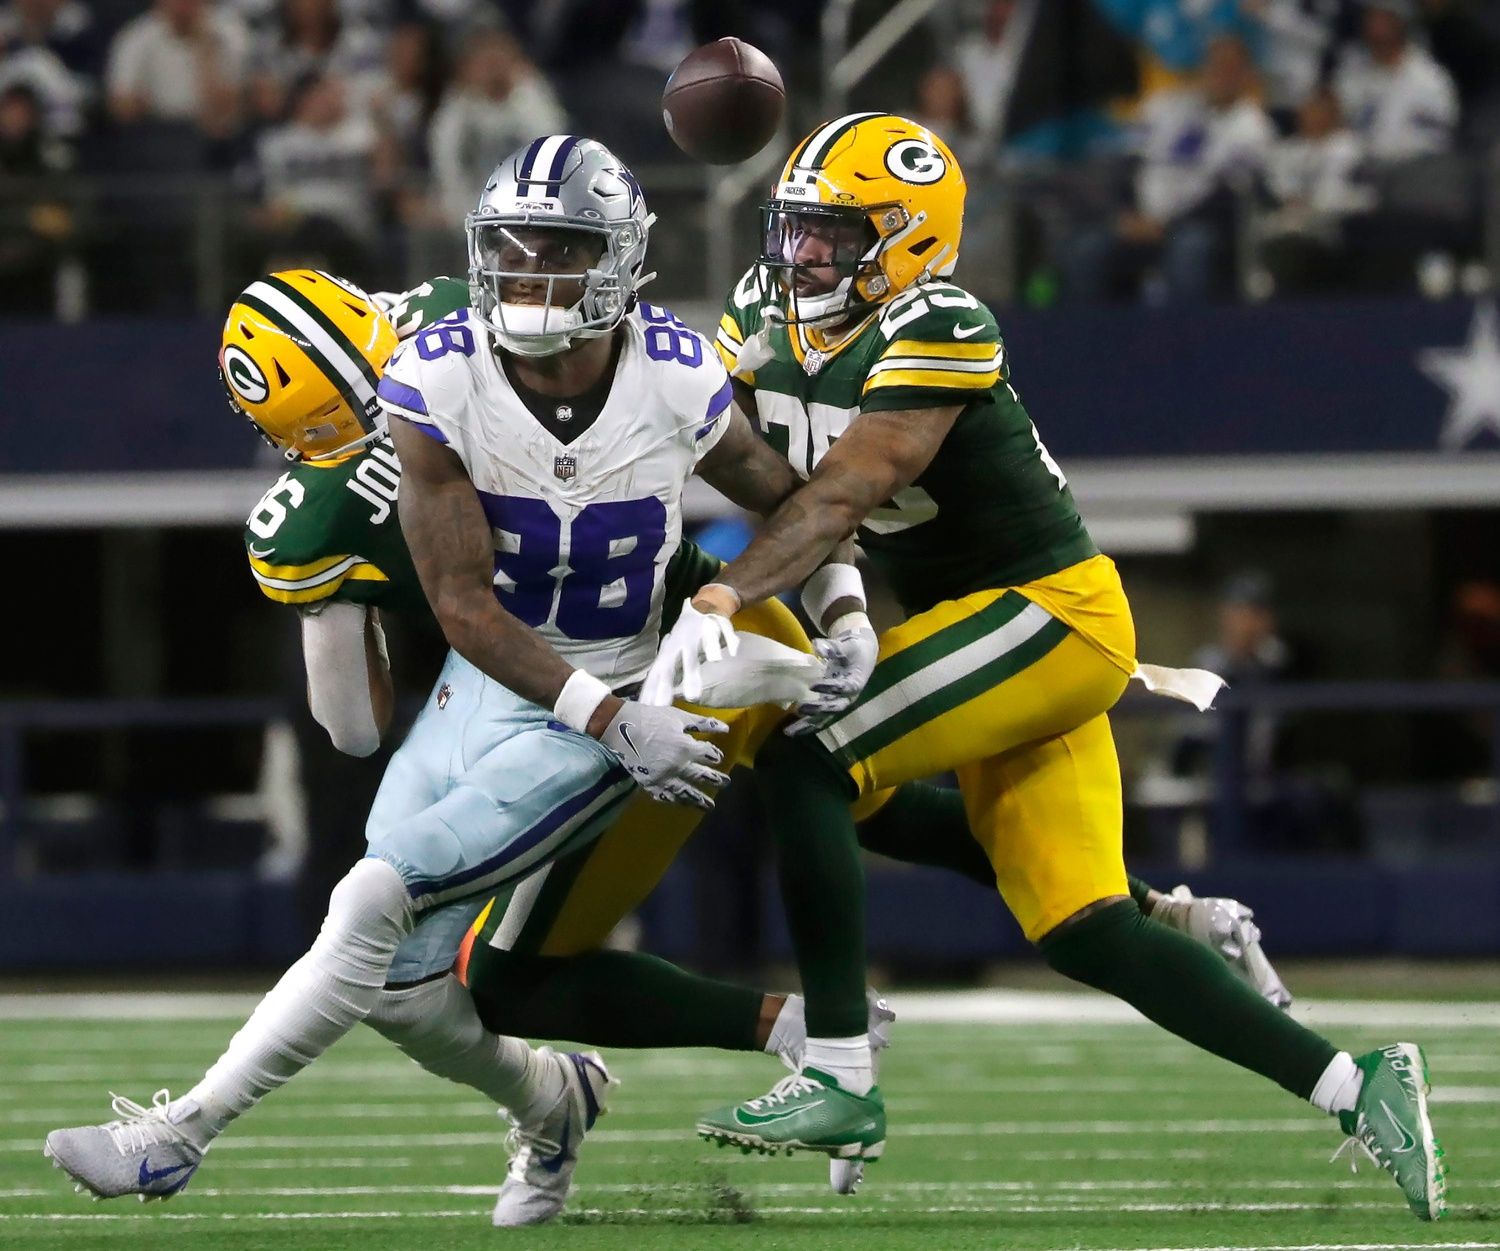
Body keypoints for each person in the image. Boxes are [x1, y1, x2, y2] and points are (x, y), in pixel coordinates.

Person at [647, 111, 1447, 1221]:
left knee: (809, 759)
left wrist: (732, 593)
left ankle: (836, 1070)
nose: (806, 257)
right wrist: (822, 603)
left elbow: (848, 491)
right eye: (800, 230)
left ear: (911, 240)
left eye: (836, 235)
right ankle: (1356, 1086)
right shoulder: (759, 311)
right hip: (983, 627)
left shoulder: (940, 320)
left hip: (1049, 616)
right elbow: (789, 495)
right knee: (1082, 929)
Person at [38, 136, 839, 1227]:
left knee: (371, 899)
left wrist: (820, 602)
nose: (530, 278)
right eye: (519, 259)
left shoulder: (585, 343)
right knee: (403, 983)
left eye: (551, 256)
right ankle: (553, 1100)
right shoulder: (434, 362)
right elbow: (434, 642)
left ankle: (180, 1135)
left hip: (611, 670)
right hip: (499, 671)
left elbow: (356, 730)